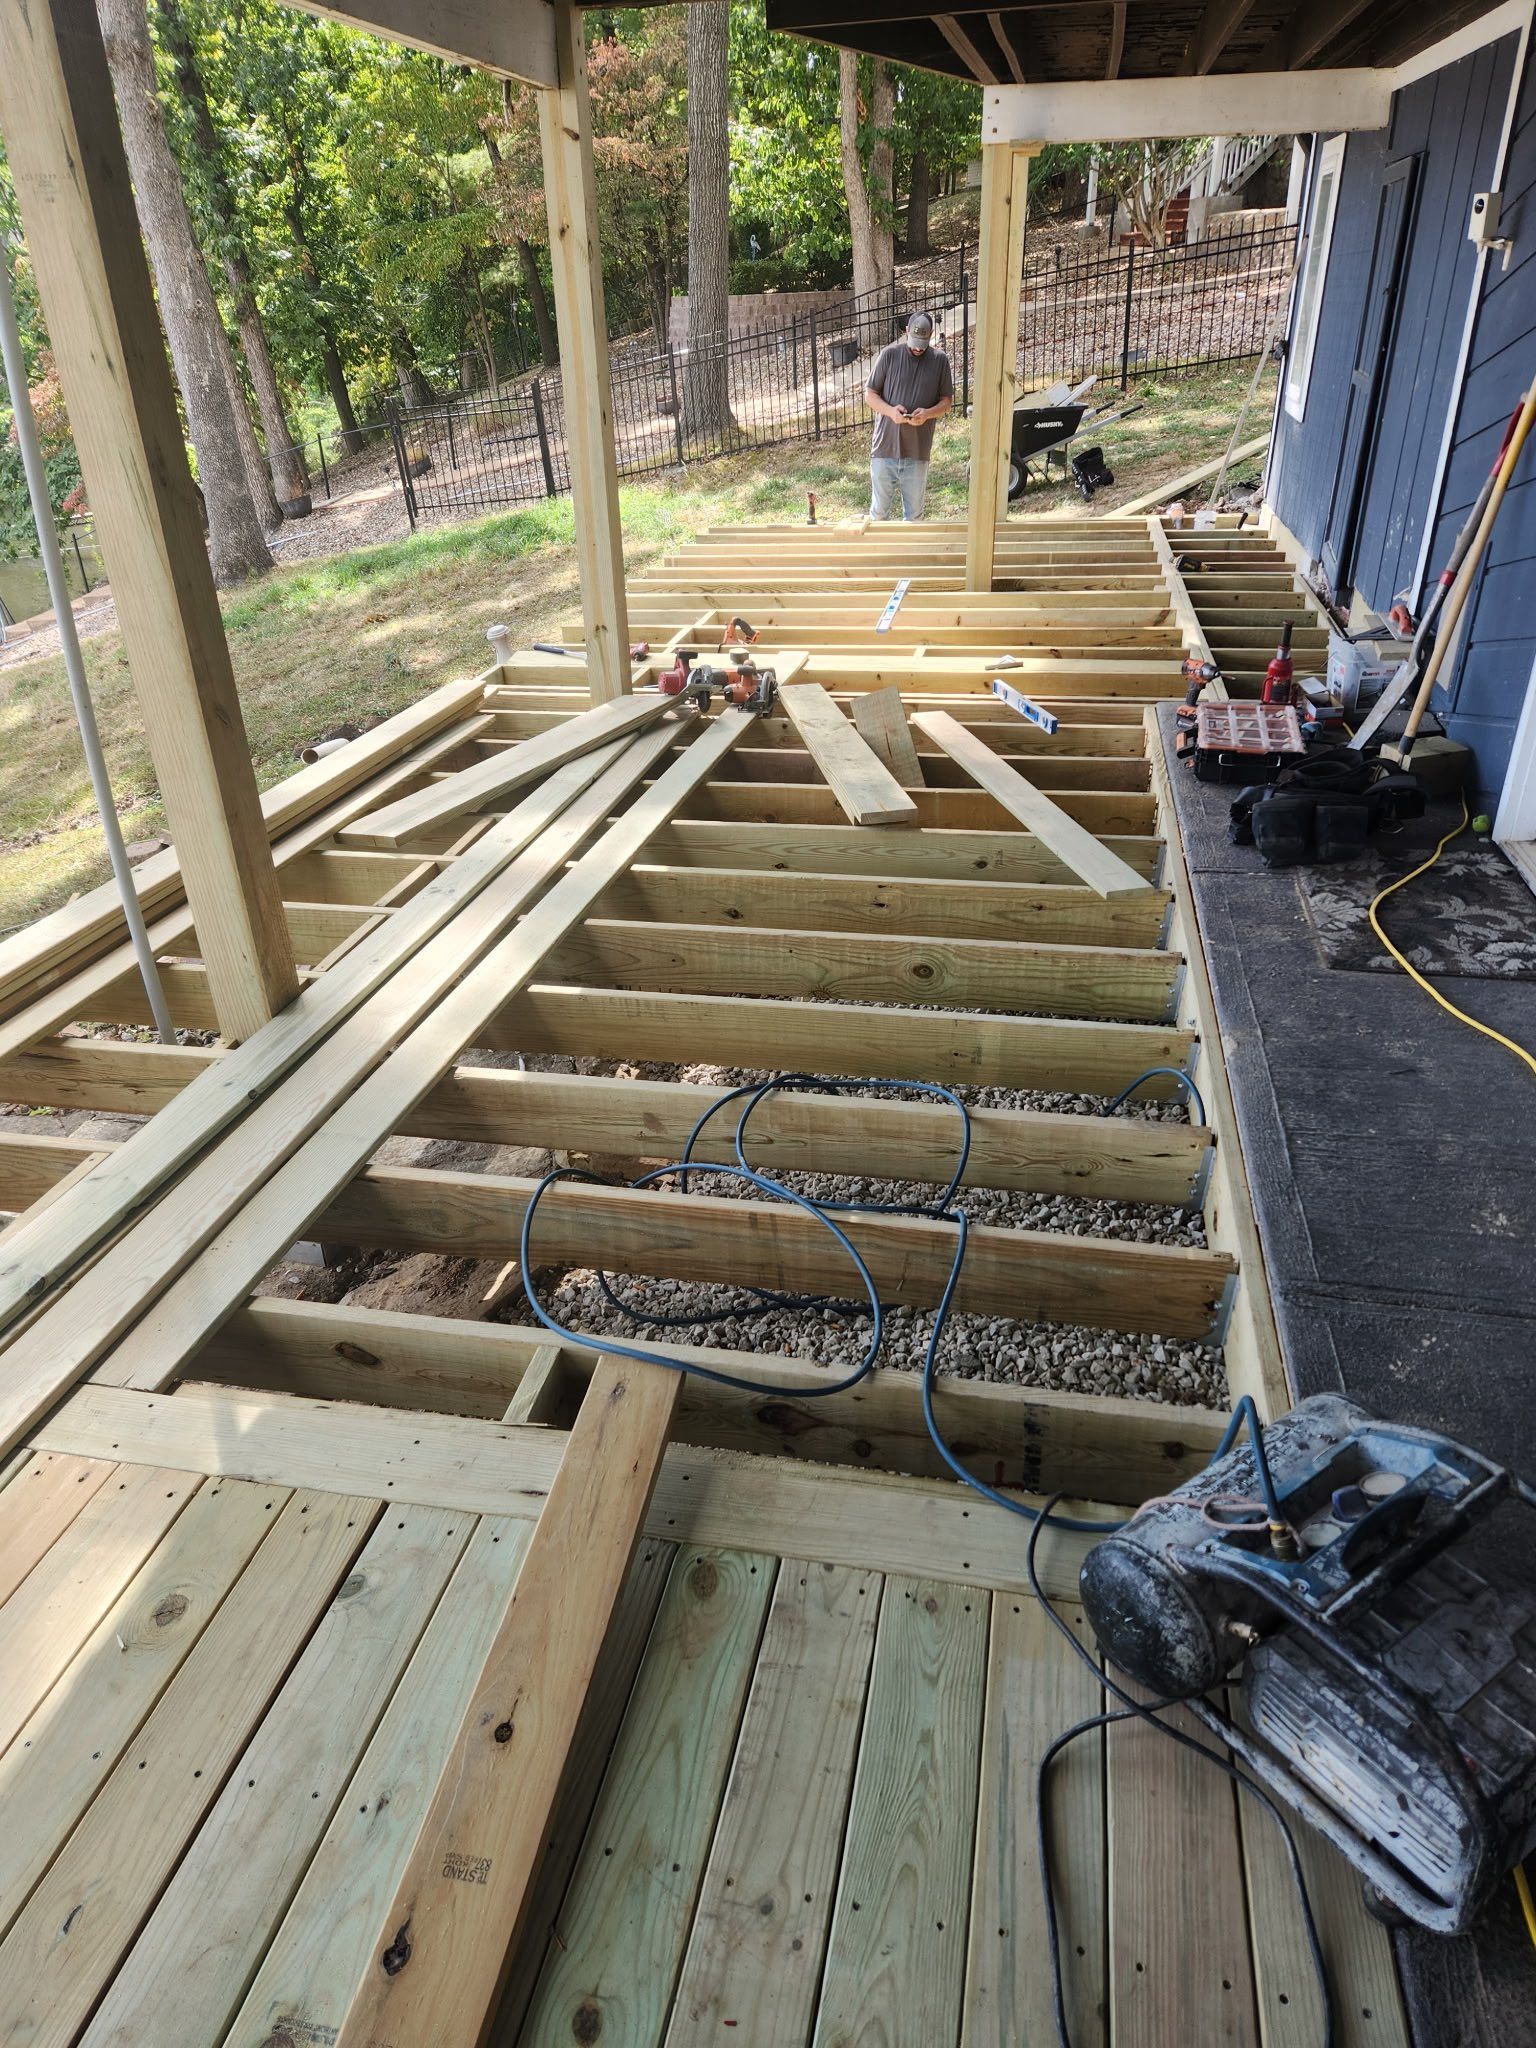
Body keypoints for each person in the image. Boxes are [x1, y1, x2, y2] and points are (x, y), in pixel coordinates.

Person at [864, 311, 954, 521]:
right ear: (906, 331)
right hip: (885, 449)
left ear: (931, 334)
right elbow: (870, 395)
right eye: (913, 342)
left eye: (922, 343)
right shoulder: (889, 355)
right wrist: (891, 412)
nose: (916, 348)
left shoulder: (939, 360)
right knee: (878, 515)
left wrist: (928, 414)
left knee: (914, 517)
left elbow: (947, 402)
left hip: (917, 452)